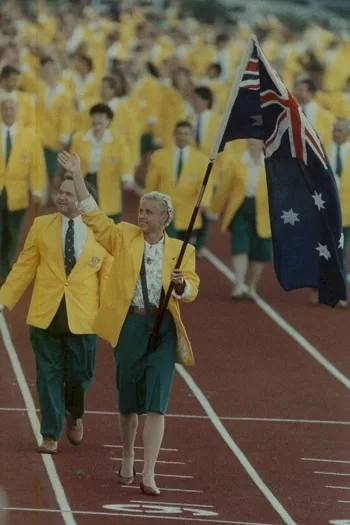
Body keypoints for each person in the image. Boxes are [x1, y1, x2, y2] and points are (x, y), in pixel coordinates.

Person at [57, 150, 200, 497]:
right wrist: (77, 174)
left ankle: (149, 473)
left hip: (163, 330)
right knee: (128, 403)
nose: (142, 216)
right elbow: (92, 214)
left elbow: (192, 288)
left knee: (157, 402)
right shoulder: (122, 235)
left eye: (150, 212)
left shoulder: (182, 250)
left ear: (165, 219)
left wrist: (181, 284)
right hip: (129, 328)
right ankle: (127, 455)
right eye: (141, 210)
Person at [0, 177, 111, 454]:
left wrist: (113, 316)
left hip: (84, 317)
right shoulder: (41, 226)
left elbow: (108, 277)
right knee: (48, 374)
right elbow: (24, 266)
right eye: (60, 192)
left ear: (84, 200)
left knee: (80, 375)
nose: (61, 197)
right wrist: (3, 301)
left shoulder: (104, 232)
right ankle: (50, 433)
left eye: (69, 194)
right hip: (45, 314)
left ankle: (74, 413)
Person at [209, 139, 272, 298]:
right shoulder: (236, 162)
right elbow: (224, 188)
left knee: (260, 252)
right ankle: (238, 285)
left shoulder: (271, 165)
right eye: (250, 139)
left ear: (263, 144)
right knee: (240, 246)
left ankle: (251, 286)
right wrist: (214, 210)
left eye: (256, 140)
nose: (252, 142)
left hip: (264, 212)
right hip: (240, 209)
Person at [0, 98, 46, 286]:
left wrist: (37, 189)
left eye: (12, 109)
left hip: (17, 193)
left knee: (12, 232)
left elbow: (37, 165)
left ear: (17, 112)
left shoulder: (29, 135)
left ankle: (5, 267)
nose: (9, 112)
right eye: (5, 108)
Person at [145, 120, 212, 242]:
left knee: (185, 249)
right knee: (167, 244)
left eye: (186, 134)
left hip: (188, 210)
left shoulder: (201, 160)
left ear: (191, 136)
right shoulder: (159, 156)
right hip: (164, 210)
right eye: (180, 133)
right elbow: (151, 183)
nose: (182, 137)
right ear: (174, 134)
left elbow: (205, 184)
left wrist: (204, 201)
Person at [70, 103, 134, 223]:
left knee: (109, 218)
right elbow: (72, 160)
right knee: (85, 216)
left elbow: (125, 160)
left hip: (108, 181)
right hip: (86, 181)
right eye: (94, 116)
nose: (97, 120)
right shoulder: (79, 138)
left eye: (101, 117)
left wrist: (127, 176)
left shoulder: (118, 139)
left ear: (108, 121)